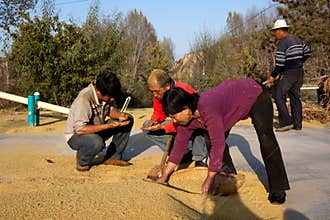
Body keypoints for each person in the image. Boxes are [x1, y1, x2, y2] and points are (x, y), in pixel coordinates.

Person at [157, 78, 290, 204]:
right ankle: (229, 176)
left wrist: (209, 179)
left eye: (174, 116)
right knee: (209, 138)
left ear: (186, 109)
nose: (174, 121)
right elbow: (180, 144)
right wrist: (165, 175)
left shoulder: (208, 109)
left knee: (266, 138)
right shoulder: (186, 120)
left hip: (254, 93)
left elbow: (218, 144)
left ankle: (278, 188)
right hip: (229, 109)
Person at [142, 69, 236, 172]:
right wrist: (154, 121)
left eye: (156, 91)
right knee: (147, 127)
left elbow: (194, 119)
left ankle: (200, 158)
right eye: (152, 92)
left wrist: (164, 127)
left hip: (191, 122)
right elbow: (158, 113)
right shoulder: (158, 95)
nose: (154, 95)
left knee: (199, 129)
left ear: (167, 87)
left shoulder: (185, 91)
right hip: (177, 122)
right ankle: (183, 154)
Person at [64, 72, 134, 172]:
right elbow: (80, 129)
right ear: (98, 92)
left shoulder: (105, 93)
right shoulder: (84, 98)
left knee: (128, 120)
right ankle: (82, 161)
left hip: (96, 129)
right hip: (75, 136)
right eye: (110, 97)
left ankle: (113, 157)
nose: (113, 99)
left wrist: (119, 115)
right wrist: (109, 126)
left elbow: (109, 110)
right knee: (96, 142)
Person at [267, 18, 311, 132]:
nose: (275, 34)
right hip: (299, 72)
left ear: (280, 30)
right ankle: (297, 124)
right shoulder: (297, 39)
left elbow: (280, 64)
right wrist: (299, 61)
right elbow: (307, 52)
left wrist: (273, 76)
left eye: (275, 31)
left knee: (278, 95)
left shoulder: (282, 43)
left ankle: (286, 122)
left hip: (289, 73)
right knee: (295, 96)